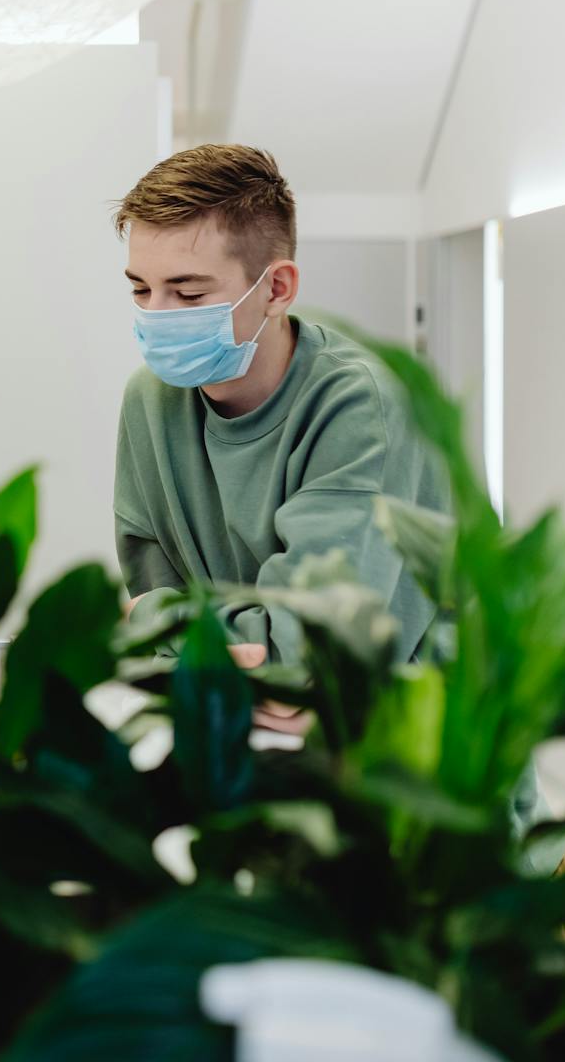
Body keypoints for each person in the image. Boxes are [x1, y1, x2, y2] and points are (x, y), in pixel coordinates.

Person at [112, 144, 451, 729]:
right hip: (252, 756)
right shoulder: (150, 400)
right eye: (141, 290)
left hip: (411, 772)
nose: (158, 315)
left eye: (189, 294)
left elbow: (307, 664)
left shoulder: (359, 405)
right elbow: (158, 636)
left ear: (277, 289)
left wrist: (176, 630)